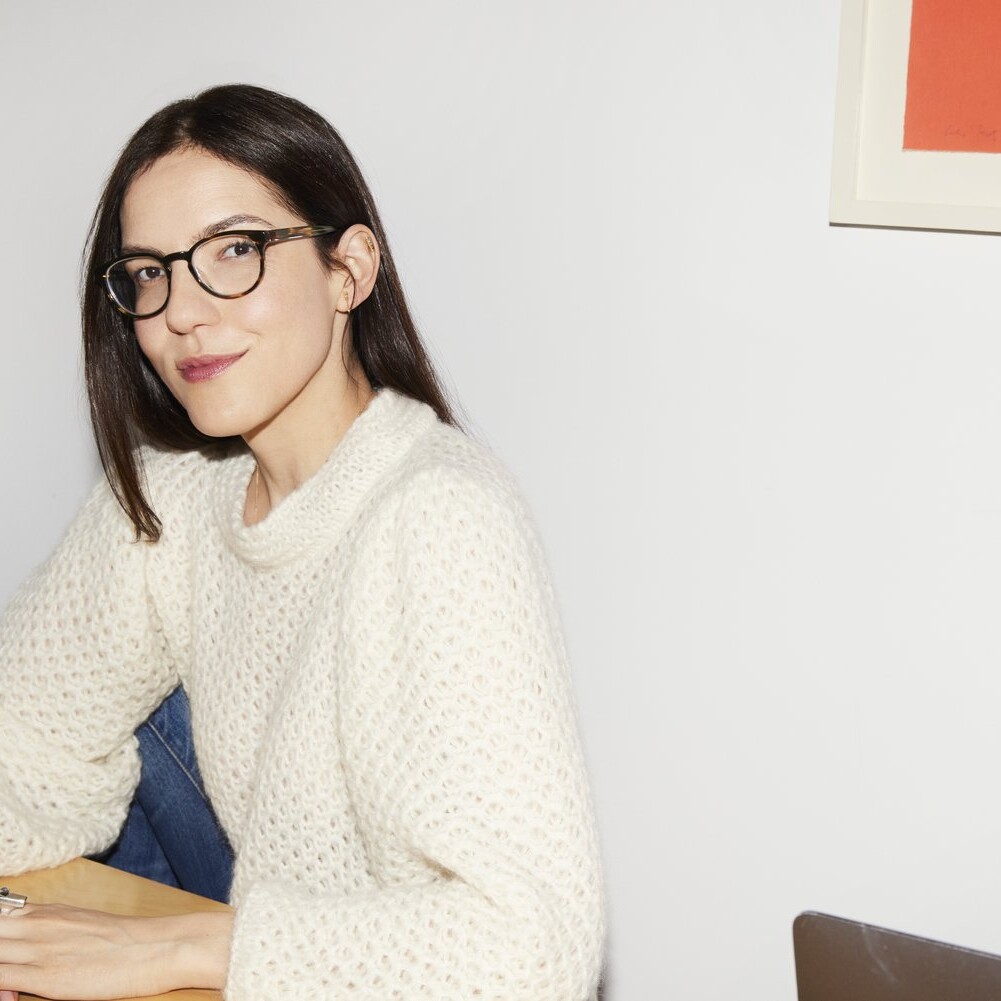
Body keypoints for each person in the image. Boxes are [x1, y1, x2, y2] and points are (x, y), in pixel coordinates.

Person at [0, 84, 605, 999]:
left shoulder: (439, 515)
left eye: (233, 252)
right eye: (151, 272)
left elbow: (532, 950)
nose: (182, 313)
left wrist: (182, 950)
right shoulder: (177, 494)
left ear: (348, 269)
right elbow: (22, 746)